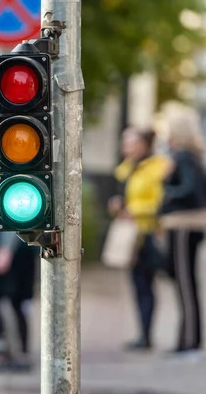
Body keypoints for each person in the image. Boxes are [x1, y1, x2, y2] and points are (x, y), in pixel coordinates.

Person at [109, 127, 169, 351]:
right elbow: (121, 192)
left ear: (143, 144)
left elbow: (161, 201)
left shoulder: (157, 167)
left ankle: (147, 334)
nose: (125, 147)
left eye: (130, 143)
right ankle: (142, 333)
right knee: (136, 284)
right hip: (130, 232)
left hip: (147, 233)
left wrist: (135, 209)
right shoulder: (126, 168)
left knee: (146, 284)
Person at [159, 109, 206, 357]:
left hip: (183, 225)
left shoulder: (183, 156)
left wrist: (167, 191)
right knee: (184, 281)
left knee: (185, 283)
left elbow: (189, 189)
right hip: (186, 225)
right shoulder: (190, 155)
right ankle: (188, 339)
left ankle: (189, 341)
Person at [0, 232, 38, 371]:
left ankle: (3, 353)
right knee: (15, 305)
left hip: (13, 253)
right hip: (21, 252)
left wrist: (6, 249)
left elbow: (13, 223)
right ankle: (20, 353)